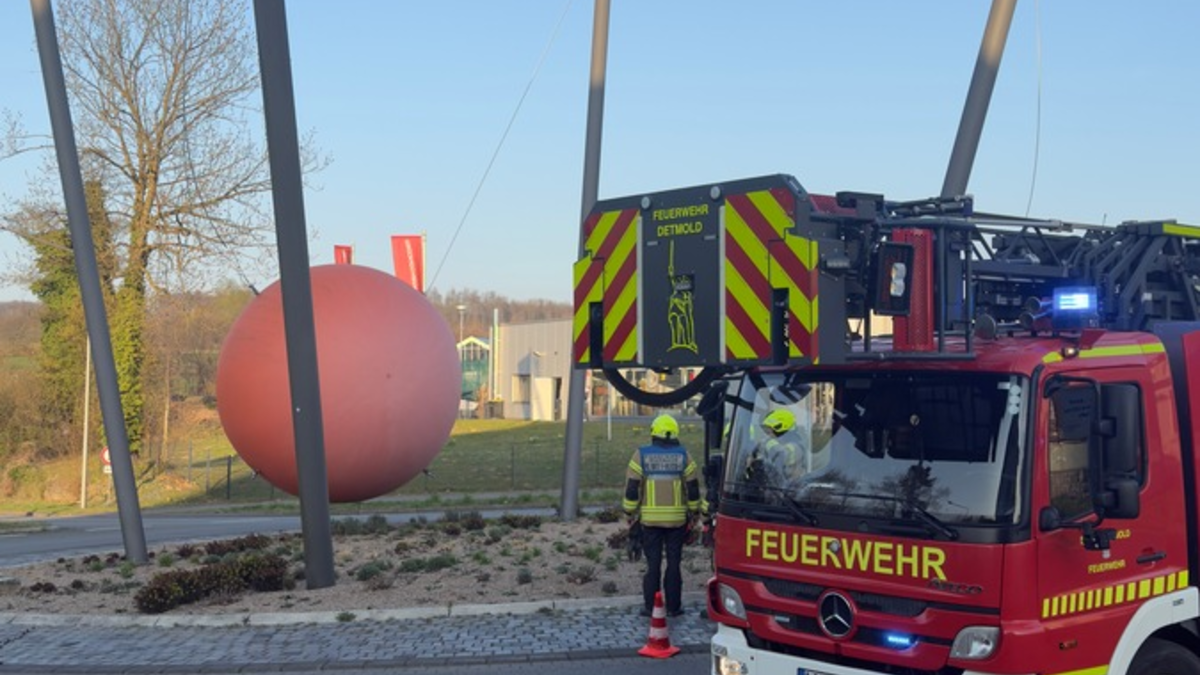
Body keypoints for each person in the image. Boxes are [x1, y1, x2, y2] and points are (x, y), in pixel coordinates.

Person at [622, 413, 701, 618]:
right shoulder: (685, 456)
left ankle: (651, 607)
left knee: (653, 564)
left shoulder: (641, 455)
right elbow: (692, 489)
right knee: (674, 564)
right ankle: (674, 607)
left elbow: (632, 488)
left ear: (654, 433)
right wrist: (694, 512)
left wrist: (629, 512)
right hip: (676, 521)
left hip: (650, 521)